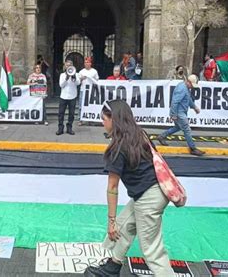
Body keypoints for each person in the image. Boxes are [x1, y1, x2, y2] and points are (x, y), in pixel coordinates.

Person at [83, 99, 174, 277]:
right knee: (125, 225)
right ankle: (112, 267)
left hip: (149, 197)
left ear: (114, 120)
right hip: (154, 192)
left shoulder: (116, 148)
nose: (103, 123)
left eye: (104, 119)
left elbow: (112, 187)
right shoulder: (140, 134)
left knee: (153, 251)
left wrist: (110, 222)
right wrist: (116, 223)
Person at [157, 74, 205, 156]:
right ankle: (192, 148)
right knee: (187, 129)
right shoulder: (182, 88)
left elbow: (188, 99)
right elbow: (175, 102)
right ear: (188, 82)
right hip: (179, 113)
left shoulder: (185, 87)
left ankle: (162, 136)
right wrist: (173, 114)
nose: (192, 87)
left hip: (180, 112)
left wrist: (194, 107)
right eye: (192, 85)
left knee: (178, 127)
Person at [57, 60, 80, 135]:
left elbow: (78, 83)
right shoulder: (62, 75)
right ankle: (60, 128)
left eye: (69, 65)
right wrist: (66, 78)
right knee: (61, 113)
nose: (68, 66)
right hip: (63, 96)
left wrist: (74, 77)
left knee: (71, 114)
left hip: (72, 96)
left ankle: (69, 128)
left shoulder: (76, 74)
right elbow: (61, 85)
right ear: (65, 66)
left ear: (72, 66)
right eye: (67, 65)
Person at [78, 57, 99, 125]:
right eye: (85, 62)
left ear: (91, 63)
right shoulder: (81, 71)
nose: (87, 64)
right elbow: (78, 82)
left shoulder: (94, 71)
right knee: (81, 105)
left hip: (91, 91)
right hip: (83, 90)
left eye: (88, 62)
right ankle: (80, 119)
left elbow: (97, 80)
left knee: (91, 105)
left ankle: (90, 119)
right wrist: (81, 79)